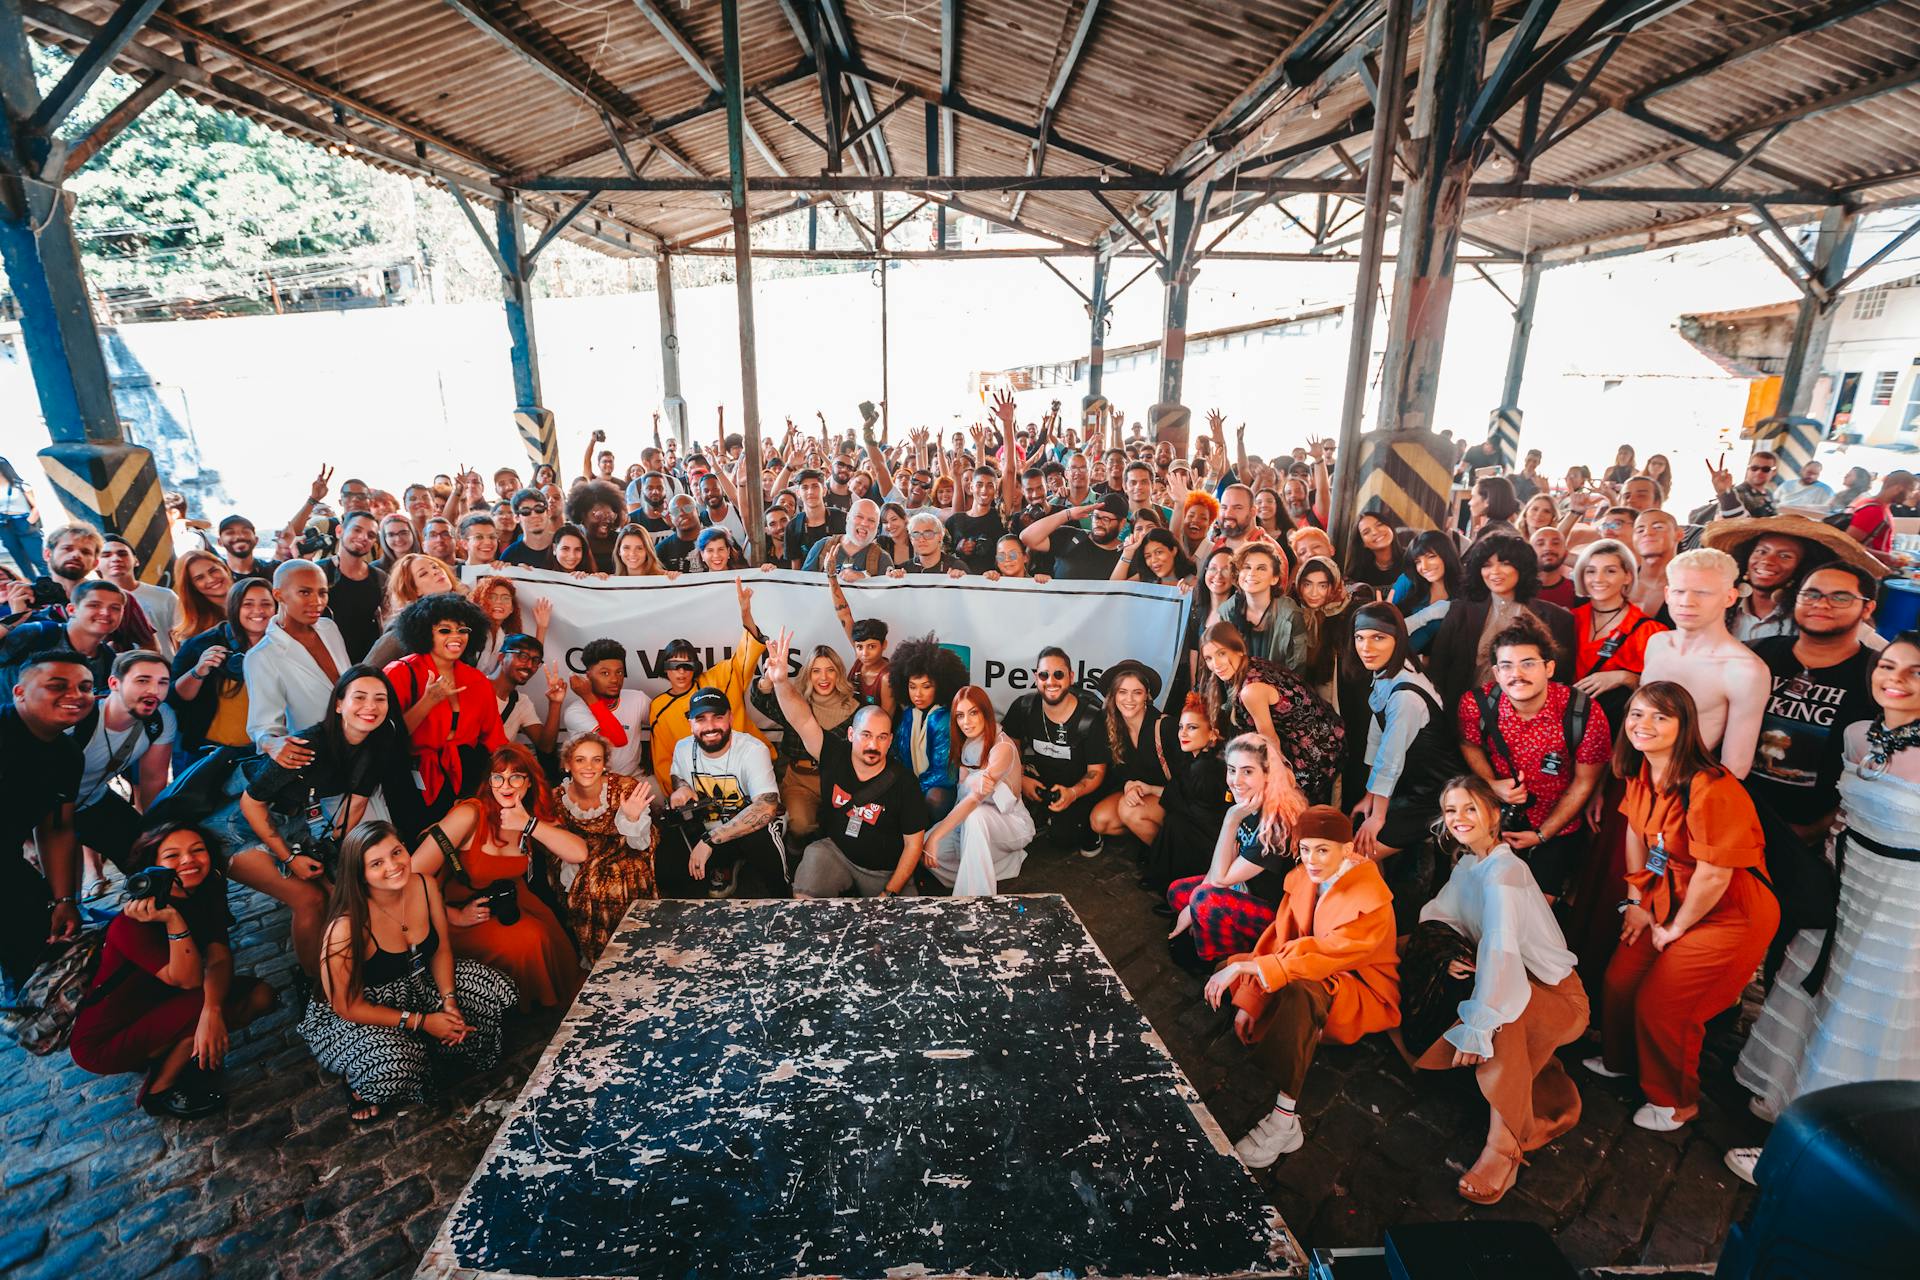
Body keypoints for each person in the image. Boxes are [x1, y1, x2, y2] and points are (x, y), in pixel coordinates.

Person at [1727, 633, 1920, 1184]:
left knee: (1862, 1011)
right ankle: (1788, 1106)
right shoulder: (1862, 734)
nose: (1896, 680)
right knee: (1815, 994)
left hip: (1903, 904)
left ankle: (1817, 1154)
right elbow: (1844, 815)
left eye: (1916, 672)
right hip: (1844, 884)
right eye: (1888, 666)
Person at [1585, 681, 1779, 1132]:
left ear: (1684, 725)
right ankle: (1624, 1060)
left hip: (1728, 913)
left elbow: (1715, 874)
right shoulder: (1639, 771)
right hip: (1666, 896)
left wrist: (1673, 930)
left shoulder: (1712, 788)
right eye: (1636, 714)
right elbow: (1637, 833)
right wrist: (1636, 901)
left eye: (1660, 716)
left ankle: (1675, 1102)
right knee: (1620, 980)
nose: (1643, 724)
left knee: (1665, 1004)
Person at [1399, 776, 1588, 1204]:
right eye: (1451, 810)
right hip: (1507, 974)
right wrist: (1443, 951)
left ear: (1494, 814)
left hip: (1559, 995)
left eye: (1470, 808)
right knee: (1403, 952)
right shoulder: (1469, 864)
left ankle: (1503, 1149)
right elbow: (1441, 916)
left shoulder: (1505, 873)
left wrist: (1479, 1023)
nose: (1459, 818)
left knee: (1503, 1017)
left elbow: (1502, 948)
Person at [1206, 804, 1399, 1166]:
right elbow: (1280, 936)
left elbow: (1324, 957)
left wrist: (1252, 972)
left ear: (1348, 850)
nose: (1311, 859)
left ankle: (1284, 1120)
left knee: (1299, 991)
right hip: (1301, 966)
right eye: (1305, 848)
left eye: (1323, 850)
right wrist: (1252, 995)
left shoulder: (1372, 902)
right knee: (1229, 970)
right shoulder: (1303, 877)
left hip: (1356, 991)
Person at [300, 820, 516, 1122]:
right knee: (391, 1065)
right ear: (359, 873)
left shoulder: (424, 885)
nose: (393, 866)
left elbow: (440, 949)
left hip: (418, 984)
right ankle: (357, 1083)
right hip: (363, 1011)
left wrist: (449, 1001)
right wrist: (423, 1021)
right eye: (376, 863)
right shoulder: (345, 927)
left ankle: (431, 1044)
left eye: (397, 852)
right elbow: (347, 1006)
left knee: (494, 989)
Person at [68, 823, 276, 1119]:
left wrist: (212, 1012)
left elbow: (219, 959)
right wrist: (173, 921)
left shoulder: (206, 891)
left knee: (260, 996)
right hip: (106, 1039)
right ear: (152, 867)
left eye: (197, 850)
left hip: (164, 1005)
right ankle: (160, 1091)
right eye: (172, 856)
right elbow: (189, 979)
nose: (188, 861)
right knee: (204, 1003)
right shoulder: (132, 922)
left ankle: (173, 1046)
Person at [412, 745, 584, 1008]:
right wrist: (455, 915)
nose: (507, 785)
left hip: (505, 902)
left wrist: (528, 824)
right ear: (489, 782)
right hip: (453, 912)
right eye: (498, 777)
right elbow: (412, 875)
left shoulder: (529, 816)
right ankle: (524, 1012)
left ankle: (546, 1010)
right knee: (526, 942)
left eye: (516, 777)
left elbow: (578, 852)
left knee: (549, 936)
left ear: (528, 783)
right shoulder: (470, 814)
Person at [1457, 620, 1611, 903]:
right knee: (1484, 901)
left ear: (1548, 668)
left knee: (1537, 910)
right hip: (1494, 821)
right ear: (1496, 673)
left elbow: (1584, 782)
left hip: (1557, 827)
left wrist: (1541, 835)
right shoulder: (1475, 704)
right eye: (1506, 666)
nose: (1516, 674)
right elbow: (1469, 744)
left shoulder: (1583, 712)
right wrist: (1491, 785)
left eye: (1528, 663)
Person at [768, 629, 928, 899]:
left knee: (905, 928)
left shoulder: (903, 782)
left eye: (881, 738)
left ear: (890, 741)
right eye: (866, 735)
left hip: (883, 872)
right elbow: (803, 720)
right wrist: (781, 682)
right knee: (806, 887)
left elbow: (914, 845)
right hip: (837, 854)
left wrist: (889, 892)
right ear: (852, 735)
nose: (873, 745)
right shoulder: (834, 753)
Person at [1744, 563, 1878, 840]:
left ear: (1867, 609)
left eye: (1840, 597)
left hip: (1809, 836)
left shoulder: (1878, 675)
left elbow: (1882, 767)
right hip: (1732, 816)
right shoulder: (1755, 653)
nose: (1822, 604)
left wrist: (1820, 829)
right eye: (1811, 594)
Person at [1167, 735, 1320, 973]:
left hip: (1271, 914)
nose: (1236, 781)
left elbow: (1220, 879)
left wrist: (1231, 819)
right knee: (1179, 891)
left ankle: (1218, 959)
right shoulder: (1247, 802)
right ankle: (1208, 930)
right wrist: (1192, 902)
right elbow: (1222, 864)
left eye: (1247, 771)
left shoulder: (1277, 824)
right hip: (1240, 889)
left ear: (1267, 774)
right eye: (1231, 770)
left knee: (1202, 901)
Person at [1350, 602, 1462, 923]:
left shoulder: (1406, 696)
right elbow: (1377, 733)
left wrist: (1379, 815)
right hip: (1411, 786)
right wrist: (1369, 797)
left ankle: (1377, 928)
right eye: (1360, 638)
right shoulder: (1390, 672)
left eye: (1378, 638)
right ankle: (1378, 920)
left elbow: (1391, 758)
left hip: (1434, 795)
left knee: (1358, 856)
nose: (1366, 648)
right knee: (1361, 841)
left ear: (1397, 640)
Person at [1, 651, 91, 992]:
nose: (75, 695)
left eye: (84, 687)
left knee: (37, 941)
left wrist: (63, 900)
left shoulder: (67, 755)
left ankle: (29, 1003)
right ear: (19, 693)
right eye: (57, 686)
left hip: (9, 866)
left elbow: (56, 828)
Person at [1640, 547, 1766, 778]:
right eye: (1679, 591)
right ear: (1667, 594)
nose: (1687, 602)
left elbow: (1735, 767)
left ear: (1729, 597)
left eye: (1702, 592)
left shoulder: (1744, 669)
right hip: (1638, 776)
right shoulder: (1657, 643)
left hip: (1689, 787)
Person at [384, 594, 507, 829]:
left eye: (463, 630)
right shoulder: (399, 672)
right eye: (444, 630)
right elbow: (388, 737)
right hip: (413, 779)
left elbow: (495, 739)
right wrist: (428, 701)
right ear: (423, 632)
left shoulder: (477, 680)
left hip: (467, 777)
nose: (456, 637)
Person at [1198, 622, 1341, 812]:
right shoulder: (1249, 664)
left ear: (1239, 649)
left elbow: (1270, 740)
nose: (1215, 664)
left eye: (1221, 653)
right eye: (1209, 658)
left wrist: (1280, 782)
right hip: (1322, 730)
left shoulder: (1251, 690)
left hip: (1316, 747)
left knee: (1292, 808)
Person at [643, 578, 767, 790]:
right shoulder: (659, 707)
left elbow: (745, 657)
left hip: (744, 769)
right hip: (697, 785)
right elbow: (664, 759)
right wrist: (678, 795)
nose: (681, 671)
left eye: (687, 665)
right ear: (664, 668)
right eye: (674, 665)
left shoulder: (716, 679)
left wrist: (746, 614)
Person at [661, 687, 785, 899]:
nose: (710, 727)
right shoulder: (683, 747)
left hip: (750, 828)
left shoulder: (752, 749)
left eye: (718, 717)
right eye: (700, 719)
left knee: (761, 837)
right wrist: (681, 788)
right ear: (690, 723)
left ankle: (784, 895)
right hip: (708, 823)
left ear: (731, 717)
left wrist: (710, 840)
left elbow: (767, 806)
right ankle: (722, 867)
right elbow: (677, 776)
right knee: (669, 854)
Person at [1427, 533, 1575, 709]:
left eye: (1505, 563)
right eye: (1486, 565)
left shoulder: (1557, 618)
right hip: (1464, 717)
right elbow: (1437, 670)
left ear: (1522, 567)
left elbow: (1560, 680)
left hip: (1527, 722)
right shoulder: (1460, 611)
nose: (1495, 572)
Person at [70, 650, 176, 891]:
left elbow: (152, 780)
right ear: (114, 683)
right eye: (142, 680)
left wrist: (152, 832)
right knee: (57, 894)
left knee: (151, 860)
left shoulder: (161, 718)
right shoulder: (78, 718)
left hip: (94, 801)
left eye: (162, 682)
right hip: (47, 810)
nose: (154, 690)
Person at [1703, 514, 1887, 647]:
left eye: (1785, 556)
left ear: (1803, 568)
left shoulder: (1816, 614)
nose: (1767, 561)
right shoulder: (1721, 605)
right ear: (1746, 557)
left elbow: (1882, 649)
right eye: (1762, 551)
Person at [553, 732, 656, 959]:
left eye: (596, 759)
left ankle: (630, 952)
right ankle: (595, 954)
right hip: (581, 853)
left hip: (625, 849)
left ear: (604, 764)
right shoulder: (558, 797)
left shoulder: (626, 789)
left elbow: (641, 843)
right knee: (578, 882)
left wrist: (630, 818)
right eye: (580, 759)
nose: (589, 766)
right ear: (567, 764)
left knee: (611, 883)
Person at [922, 685, 1033, 895]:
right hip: (972, 828)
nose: (966, 722)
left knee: (976, 816)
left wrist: (938, 836)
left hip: (1009, 824)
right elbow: (962, 798)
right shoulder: (966, 744)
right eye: (960, 715)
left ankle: (974, 898)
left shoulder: (1002, 747)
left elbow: (973, 800)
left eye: (973, 713)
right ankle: (1000, 867)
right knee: (925, 851)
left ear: (986, 713)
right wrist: (936, 836)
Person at [1000, 646, 1110, 857]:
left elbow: (1096, 772)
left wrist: (1073, 793)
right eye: (1044, 675)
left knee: (1063, 839)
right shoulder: (1024, 707)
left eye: (1058, 674)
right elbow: (1008, 750)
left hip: (1078, 787)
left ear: (1071, 676)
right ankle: (1041, 813)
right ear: (1036, 677)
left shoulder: (1091, 717)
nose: (1051, 681)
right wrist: (1020, 779)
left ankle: (1084, 826)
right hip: (1041, 779)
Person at [244, 561, 349, 771]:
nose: (317, 602)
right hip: (318, 762)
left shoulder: (328, 628)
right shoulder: (261, 656)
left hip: (360, 746)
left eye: (322, 592)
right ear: (278, 595)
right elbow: (263, 726)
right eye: (305, 592)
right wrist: (273, 744)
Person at [170, 577, 275, 766]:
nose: (258, 611)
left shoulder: (284, 645)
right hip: (205, 753)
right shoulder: (201, 644)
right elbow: (174, 698)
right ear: (234, 608)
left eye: (266, 604)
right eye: (248, 604)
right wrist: (199, 671)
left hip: (261, 754)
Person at [1136, 694, 1231, 893]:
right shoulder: (1195, 758)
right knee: (1174, 823)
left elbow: (1205, 816)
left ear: (1213, 734)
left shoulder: (1207, 767)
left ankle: (1180, 890)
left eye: (1192, 727)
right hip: (1197, 830)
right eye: (1181, 727)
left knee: (1177, 825)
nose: (1183, 733)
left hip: (1211, 843)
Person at [1568, 539, 1665, 731]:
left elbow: (1662, 694)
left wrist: (1624, 677)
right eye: (1591, 571)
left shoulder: (1650, 632)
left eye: (1610, 571)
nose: (1598, 579)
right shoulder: (1567, 620)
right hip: (1568, 726)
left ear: (1628, 576)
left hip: (1617, 731)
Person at [1088, 660, 1170, 849]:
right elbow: (1118, 771)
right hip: (1137, 794)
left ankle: (1166, 861)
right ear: (1113, 695)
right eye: (1122, 692)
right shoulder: (1108, 724)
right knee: (1100, 820)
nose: (1129, 699)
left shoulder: (1164, 726)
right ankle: (1145, 835)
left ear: (1147, 696)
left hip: (1168, 797)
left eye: (1137, 692)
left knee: (1128, 810)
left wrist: (1149, 789)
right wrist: (1129, 785)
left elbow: (1186, 782)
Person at [0, 577, 124, 701]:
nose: (105, 612)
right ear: (71, 609)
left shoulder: (108, 658)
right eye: (94, 605)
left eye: (115, 608)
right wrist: (15, 618)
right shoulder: (39, 633)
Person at [888, 634, 968, 820]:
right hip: (912, 784)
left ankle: (934, 839)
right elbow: (897, 755)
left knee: (935, 798)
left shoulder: (944, 719)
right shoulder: (909, 714)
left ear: (939, 686)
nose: (918, 694)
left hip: (940, 790)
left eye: (926, 686)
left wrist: (909, 789)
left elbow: (944, 776)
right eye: (912, 686)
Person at [317, 511, 388, 663]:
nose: (363, 538)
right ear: (339, 531)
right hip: (325, 661)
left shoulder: (380, 579)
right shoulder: (318, 573)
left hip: (368, 664)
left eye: (370, 535)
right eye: (357, 530)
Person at [1217, 543, 1303, 668]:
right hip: (1238, 684)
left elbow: (1297, 668)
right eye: (1246, 567)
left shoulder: (1290, 614)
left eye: (1261, 568)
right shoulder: (1227, 611)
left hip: (1281, 684)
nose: (1252, 573)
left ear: (1274, 578)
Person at [96, 535, 177, 660]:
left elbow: (183, 638)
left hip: (165, 672)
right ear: (96, 564)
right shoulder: (90, 601)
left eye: (122, 554)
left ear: (136, 561)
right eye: (106, 555)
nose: (116, 558)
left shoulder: (165, 596)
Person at [1019, 492, 1127, 580]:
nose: (1099, 523)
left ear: (1122, 523)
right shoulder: (1071, 537)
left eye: (1106, 519)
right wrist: (1067, 514)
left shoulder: (1127, 555)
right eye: (1096, 517)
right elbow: (1027, 538)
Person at [1390, 530, 1461, 654]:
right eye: (1418, 561)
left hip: (1441, 667)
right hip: (1395, 662)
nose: (1424, 566)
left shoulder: (1464, 592)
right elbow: (1382, 624)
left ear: (1447, 555)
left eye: (1431, 556)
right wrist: (1423, 616)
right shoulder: (1407, 581)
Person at [1841, 469, 1915, 568]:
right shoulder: (1874, 510)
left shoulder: (1872, 504)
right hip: (1860, 571)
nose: (1911, 495)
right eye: (1911, 490)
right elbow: (1847, 543)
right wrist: (1886, 556)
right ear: (1898, 488)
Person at [802, 498, 893, 577]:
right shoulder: (822, 546)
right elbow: (803, 585)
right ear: (848, 517)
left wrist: (865, 578)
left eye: (871, 520)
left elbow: (886, 595)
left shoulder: (882, 559)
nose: (864, 523)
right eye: (859, 516)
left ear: (877, 527)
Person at [1695, 450, 1780, 522]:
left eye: (1766, 469)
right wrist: (1725, 493)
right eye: (1754, 468)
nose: (1758, 472)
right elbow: (1720, 522)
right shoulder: (1734, 494)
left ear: (1774, 472)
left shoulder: (1770, 494)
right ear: (1748, 468)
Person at [1627, 508, 1679, 617]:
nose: (1648, 533)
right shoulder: (1619, 583)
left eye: (1658, 527)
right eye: (1640, 530)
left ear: (1678, 534)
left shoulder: (1691, 585)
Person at [0, 456, 46, 579]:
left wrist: (28, 523)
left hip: (23, 522)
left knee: (38, 559)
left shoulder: (21, 485)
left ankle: (53, 586)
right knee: (22, 563)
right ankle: (33, 589)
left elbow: (36, 507)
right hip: (5, 526)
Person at [888, 512, 967, 577]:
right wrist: (892, 580)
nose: (921, 539)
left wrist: (963, 581)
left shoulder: (957, 567)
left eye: (928, 534)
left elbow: (972, 595)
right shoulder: (903, 570)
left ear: (940, 536)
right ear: (911, 539)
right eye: (916, 534)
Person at [497, 488, 557, 569]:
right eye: (525, 511)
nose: (534, 515)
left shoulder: (566, 546)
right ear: (516, 518)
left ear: (548, 512)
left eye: (539, 509)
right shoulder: (509, 555)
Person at [1347, 508, 1404, 592]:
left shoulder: (1413, 560)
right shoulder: (1358, 573)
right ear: (1363, 543)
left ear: (1390, 527)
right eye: (1366, 532)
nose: (1375, 532)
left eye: (1379, 524)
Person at [1530, 525, 1576, 610]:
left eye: (1555, 543)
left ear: (1566, 553)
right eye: (1540, 544)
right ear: (1529, 552)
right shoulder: (1515, 587)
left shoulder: (1576, 591)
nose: (1548, 548)